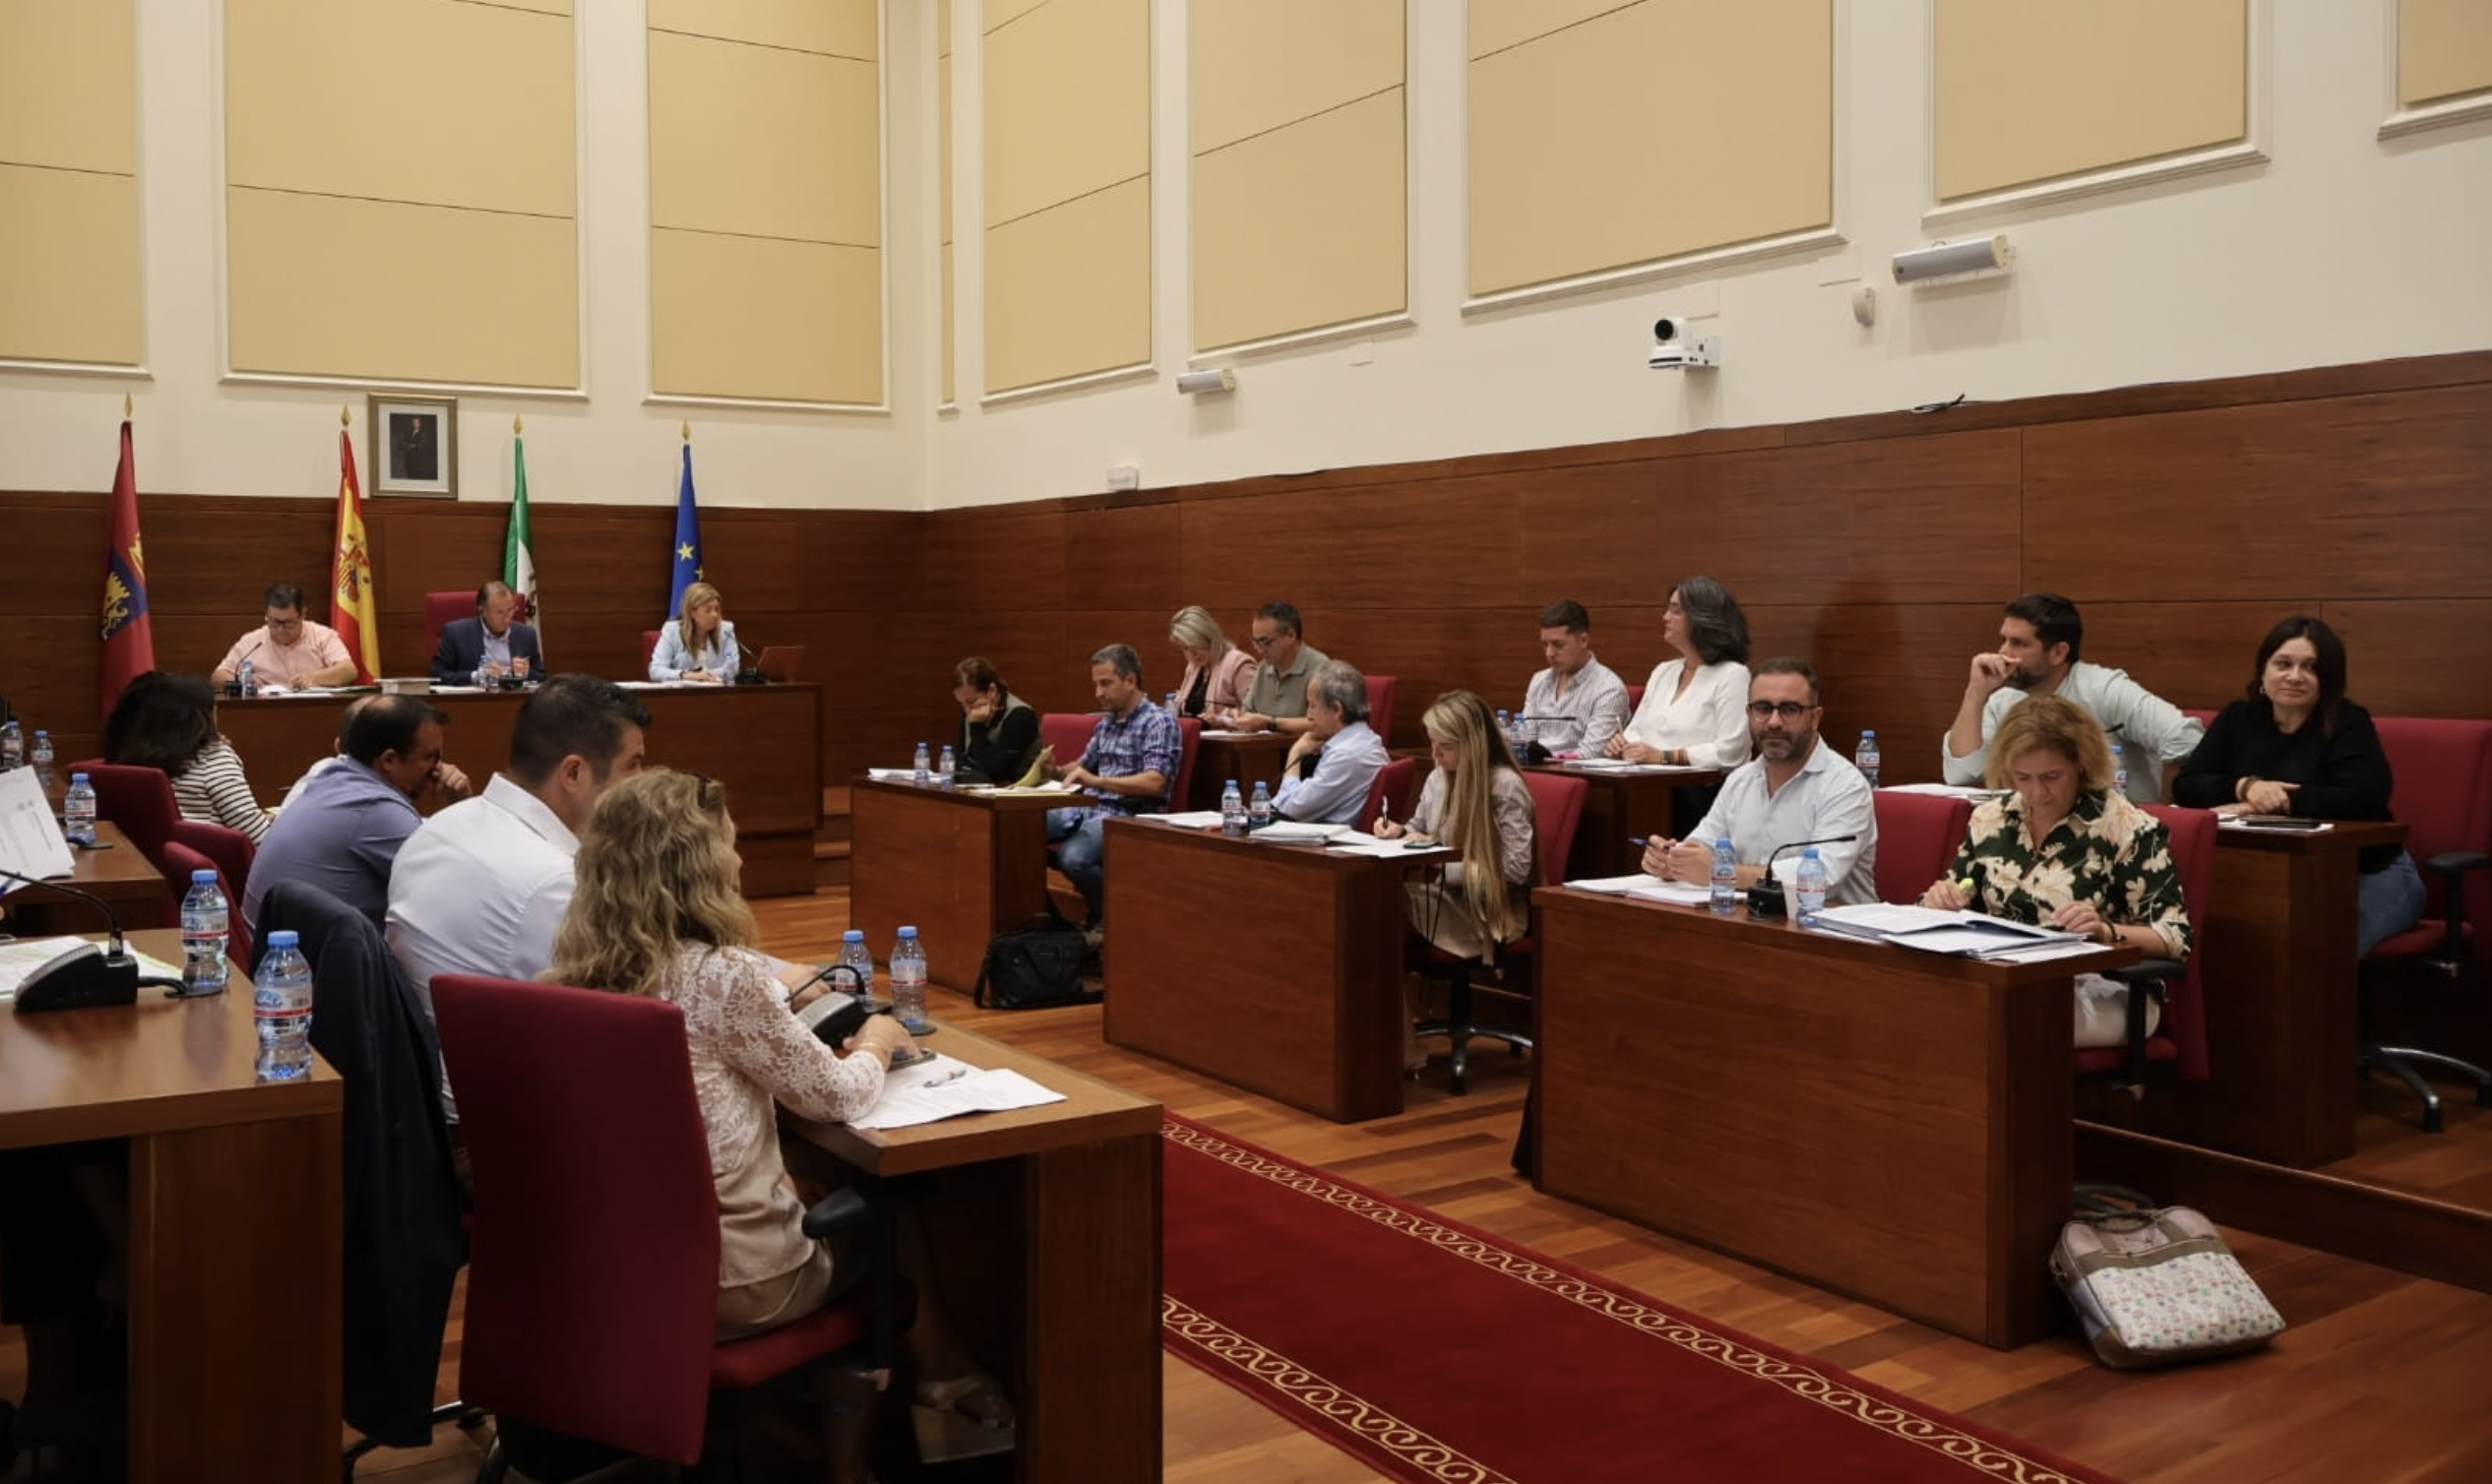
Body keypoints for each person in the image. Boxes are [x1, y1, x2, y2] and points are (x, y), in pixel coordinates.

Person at [545, 770, 1012, 1475]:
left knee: (820, 1177)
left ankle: (842, 1414)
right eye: (729, 847)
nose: (740, 862)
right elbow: (837, 1096)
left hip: (613, 1267)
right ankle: (868, 1440)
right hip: (732, 1285)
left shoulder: (576, 973)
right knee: (892, 1215)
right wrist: (879, 1040)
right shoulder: (721, 978)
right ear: (698, 869)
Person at [386, 675, 653, 1033]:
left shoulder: (436, 827)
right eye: (633, 765)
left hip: (435, 1055)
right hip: (498, 1065)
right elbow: (619, 1023)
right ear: (574, 773)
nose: (641, 782)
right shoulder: (555, 884)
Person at [1921, 696, 2193, 1047]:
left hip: (2104, 988)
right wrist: (1938, 902)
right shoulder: (1991, 819)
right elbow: (1960, 891)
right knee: (1924, 1007)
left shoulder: (2128, 829)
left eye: (2051, 777)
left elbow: (2174, 938)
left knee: (1998, 1021)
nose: (2037, 793)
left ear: (2081, 765)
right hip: (2005, 981)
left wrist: (2104, 930)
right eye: (2022, 777)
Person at [2174, 615, 2425, 956]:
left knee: (2314, 957)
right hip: (2268, 879)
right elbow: (2188, 785)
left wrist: (2273, 801)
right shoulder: (2237, 718)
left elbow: (2363, 798)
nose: (2294, 676)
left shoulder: (2349, 722)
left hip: (2368, 875)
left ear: (2327, 678)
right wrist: (2247, 787)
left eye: (2310, 667)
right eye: (2283, 664)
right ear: (2263, 670)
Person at [1376, 692, 1537, 1071]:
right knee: (1371, 907)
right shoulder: (1438, 777)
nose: (1435, 755)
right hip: (1441, 896)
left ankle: (1401, 1048)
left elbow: (1516, 868)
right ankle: (1395, 1043)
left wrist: (1441, 865)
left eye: (1445, 747)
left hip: (1488, 911)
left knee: (1380, 914)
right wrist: (1398, 831)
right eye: (1432, 744)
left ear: (1473, 744)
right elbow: (1418, 828)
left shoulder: (1504, 786)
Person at [1641, 658, 1878, 907]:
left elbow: (1822, 877)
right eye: (1763, 708)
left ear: (1815, 718)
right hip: (1749, 920)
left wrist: (1720, 871)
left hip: (1831, 926)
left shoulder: (1845, 786)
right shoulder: (1740, 780)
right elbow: (1704, 845)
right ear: (1749, 714)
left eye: (1789, 709)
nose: (1774, 722)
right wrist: (1672, 860)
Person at [1943, 591, 2202, 803]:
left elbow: (2185, 738)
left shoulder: (2104, 688)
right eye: (2004, 640)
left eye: (2019, 643)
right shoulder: (2003, 699)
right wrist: (1975, 692)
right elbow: (1960, 775)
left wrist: (2164, 813)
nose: (2003, 652)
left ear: (2058, 653)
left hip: (2117, 829)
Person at [240, 696, 467, 931]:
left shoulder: (333, 776)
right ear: (389, 760)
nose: (437, 770)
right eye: (430, 757)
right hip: (294, 952)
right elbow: (460, 884)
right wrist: (460, 805)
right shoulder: (374, 808)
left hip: (270, 944)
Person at [1043, 645, 1181, 937]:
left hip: (1130, 815)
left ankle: (1109, 919)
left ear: (1130, 680)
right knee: (1020, 830)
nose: (1098, 692)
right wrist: (1053, 770)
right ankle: (1047, 918)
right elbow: (1081, 767)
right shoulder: (1106, 724)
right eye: (1096, 684)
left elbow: (1156, 782)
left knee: (1073, 858)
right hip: (1092, 808)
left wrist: (1097, 781)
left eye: (1106, 683)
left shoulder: (1158, 722)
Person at [101, 669, 273, 844]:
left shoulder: (132, 757)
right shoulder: (212, 758)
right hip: (212, 859)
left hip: (148, 858)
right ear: (201, 718)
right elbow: (258, 838)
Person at [1610, 577, 1752, 769]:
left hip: (1697, 784)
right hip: (1644, 777)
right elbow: (1636, 731)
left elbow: (1731, 752)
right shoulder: (1663, 671)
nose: (1665, 617)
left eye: (1675, 610)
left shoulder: (1732, 675)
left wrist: (1663, 756)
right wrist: (1623, 744)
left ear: (1702, 618)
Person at [1273, 660, 1390, 825]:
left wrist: (1295, 753)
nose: (1308, 715)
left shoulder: (1346, 755)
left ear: (1336, 709)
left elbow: (1289, 810)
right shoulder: (1365, 740)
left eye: (1312, 705)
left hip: (1324, 839)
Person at [1520, 598, 1631, 757]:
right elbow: (1525, 740)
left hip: (1575, 769)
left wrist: (1546, 758)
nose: (1549, 653)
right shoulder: (1539, 680)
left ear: (1583, 640)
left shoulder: (1609, 689)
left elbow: (1592, 753)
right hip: (1534, 767)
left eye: (1558, 645)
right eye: (1545, 644)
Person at [210, 583, 358, 692]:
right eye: (274, 622)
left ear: (302, 615)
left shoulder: (322, 636)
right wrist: (244, 683)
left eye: (288, 623)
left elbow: (348, 670)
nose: (280, 630)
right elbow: (218, 676)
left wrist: (312, 678)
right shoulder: (252, 641)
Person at [1223, 601, 1330, 736]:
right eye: (1255, 642)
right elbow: (1248, 712)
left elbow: (1322, 724)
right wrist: (1239, 716)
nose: (1259, 650)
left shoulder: (1320, 668)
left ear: (1291, 635)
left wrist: (1270, 723)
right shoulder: (1263, 668)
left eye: (1265, 642)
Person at [431, 580, 544, 686]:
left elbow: (542, 677)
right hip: (476, 699)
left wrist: (527, 673)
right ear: (482, 611)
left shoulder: (526, 634)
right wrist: (475, 676)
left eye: (510, 610)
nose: (507, 618)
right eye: (500, 612)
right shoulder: (456, 633)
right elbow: (437, 675)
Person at [950, 657, 1042, 784]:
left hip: (1019, 790)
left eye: (971, 702)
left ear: (992, 690)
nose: (967, 710)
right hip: (977, 788)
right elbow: (959, 759)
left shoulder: (1021, 715)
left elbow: (994, 770)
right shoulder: (971, 709)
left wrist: (977, 727)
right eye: (962, 703)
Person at [1167, 605, 1257, 720]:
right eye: (1185, 648)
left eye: (1195, 645)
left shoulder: (1239, 663)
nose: (1191, 654)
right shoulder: (1193, 667)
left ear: (1210, 637)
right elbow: (1182, 707)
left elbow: (1256, 715)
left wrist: (1223, 719)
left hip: (1227, 732)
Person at [651, 580, 739, 684]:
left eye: (716, 609)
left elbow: (733, 668)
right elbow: (656, 670)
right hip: (684, 692)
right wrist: (686, 675)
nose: (715, 615)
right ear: (692, 612)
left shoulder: (726, 630)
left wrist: (704, 676)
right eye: (708, 610)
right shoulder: (672, 631)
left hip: (717, 690)